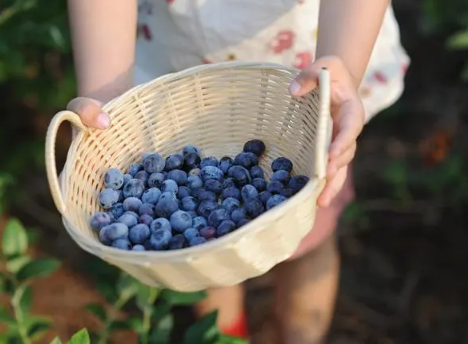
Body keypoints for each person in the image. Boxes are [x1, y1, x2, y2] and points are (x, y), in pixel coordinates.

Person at [64, 0, 409, 343]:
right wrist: (107, 99)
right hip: (176, 75)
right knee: (204, 261)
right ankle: (228, 336)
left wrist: (342, 66)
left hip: (306, 74)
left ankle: (299, 335)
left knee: (309, 237)